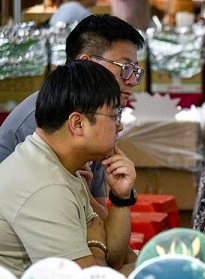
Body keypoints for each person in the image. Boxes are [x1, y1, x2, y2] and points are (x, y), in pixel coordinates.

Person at [0, 14, 144, 222]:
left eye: (136, 71)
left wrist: (119, 197)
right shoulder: (42, 119)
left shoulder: (98, 119)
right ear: (86, 63)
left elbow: (98, 215)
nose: (132, 80)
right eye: (125, 68)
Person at [0, 60, 136, 277]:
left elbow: (114, 255)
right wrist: (102, 253)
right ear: (77, 124)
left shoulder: (61, 165)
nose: (119, 125)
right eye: (113, 116)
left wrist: (121, 197)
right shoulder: (44, 184)